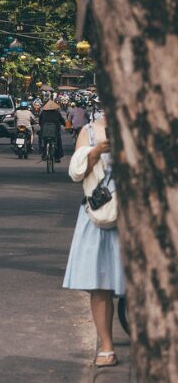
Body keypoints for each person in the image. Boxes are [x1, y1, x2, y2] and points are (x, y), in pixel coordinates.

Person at [63, 115, 124, 368]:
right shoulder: (88, 132)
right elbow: (77, 174)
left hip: (137, 215)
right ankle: (106, 344)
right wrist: (96, 152)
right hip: (99, 215)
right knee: (100, 284)